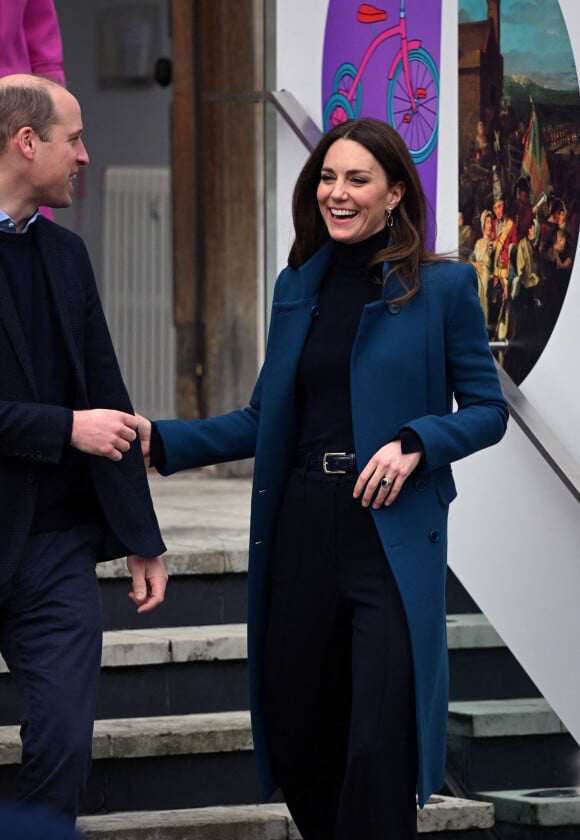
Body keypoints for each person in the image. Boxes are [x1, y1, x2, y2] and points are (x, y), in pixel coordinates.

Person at [137, 118, 508, 840]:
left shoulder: (442, 288)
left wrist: (415, 443)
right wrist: (159, 441)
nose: (337, 193)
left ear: (396, 192)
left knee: (377, 744)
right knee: (300, 734)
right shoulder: (296, 285)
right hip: (303, 524)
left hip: (388, 535)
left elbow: (488, 411)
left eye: (357, 179)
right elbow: (262, 418)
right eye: (327, 178)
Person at [0, 74, 167, 826]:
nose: (86, 156)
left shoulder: (67, 256)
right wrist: (62, 427)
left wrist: (141, 536)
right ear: (25, 142)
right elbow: (82, 418)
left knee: (64, 744)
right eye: (74, 140)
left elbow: (109, 392)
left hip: (56, 548)